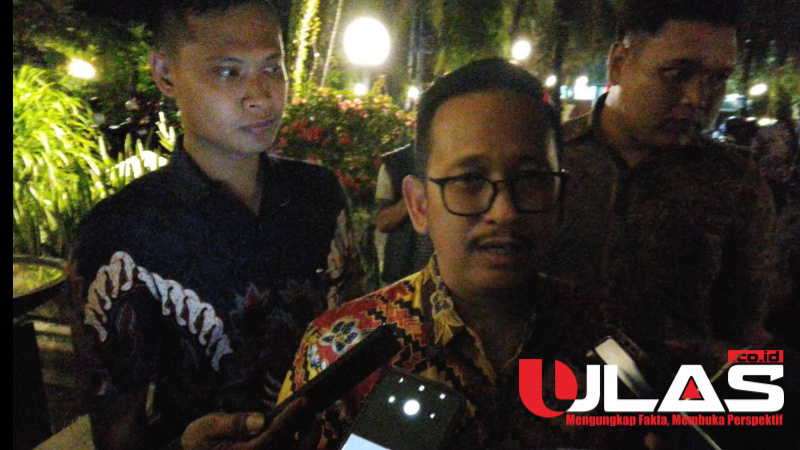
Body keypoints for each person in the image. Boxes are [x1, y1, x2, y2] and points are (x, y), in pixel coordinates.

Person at [278, 59, 641, 449]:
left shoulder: (613, 342)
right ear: (418, 204)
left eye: (532, 178)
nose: (504, 212)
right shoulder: (340, 349)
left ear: (562, 197)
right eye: (469, 180)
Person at [69, 1, 364, 448]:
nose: (260, 95)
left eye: (273, 68)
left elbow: (361, 339)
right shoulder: (119, 234)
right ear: (165, 74)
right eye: (229, 72)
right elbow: (116, 433)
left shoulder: (319, 195)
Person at [547, 0, 777, 373]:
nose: (697, 99)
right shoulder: (545, 161)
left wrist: (723, 361)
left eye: (718, 79)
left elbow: (748, 331)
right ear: (619, 63)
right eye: (676, 73)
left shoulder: (736, 183)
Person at [374, 144, 433, 285]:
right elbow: (383, 222)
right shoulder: (395, 162)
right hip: (403, 271)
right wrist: (414, 195)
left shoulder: (460, 152)